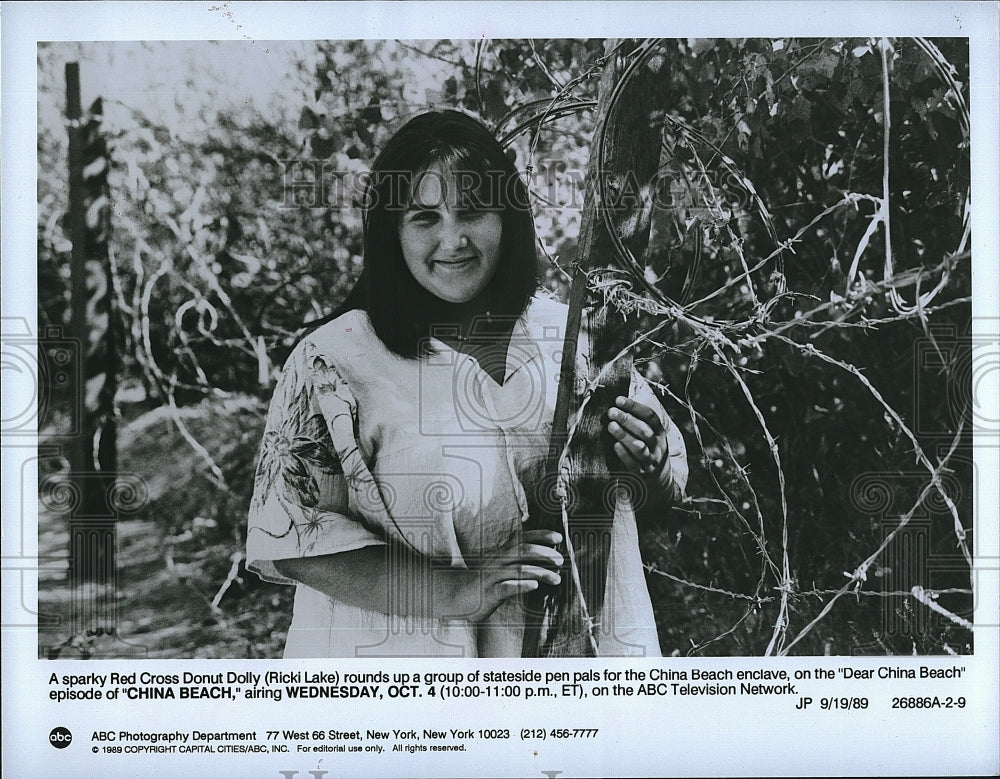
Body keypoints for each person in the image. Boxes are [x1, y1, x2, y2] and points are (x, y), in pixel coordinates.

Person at [246, 110, 687, 658]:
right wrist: (459, 590)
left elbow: (664, 490)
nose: (453, 239)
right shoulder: (334, 361)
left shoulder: (572, 336)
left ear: (508, 217)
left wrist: (653, 461)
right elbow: (295, 538)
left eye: (473, 210)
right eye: (424, 217)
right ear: (391, 231)